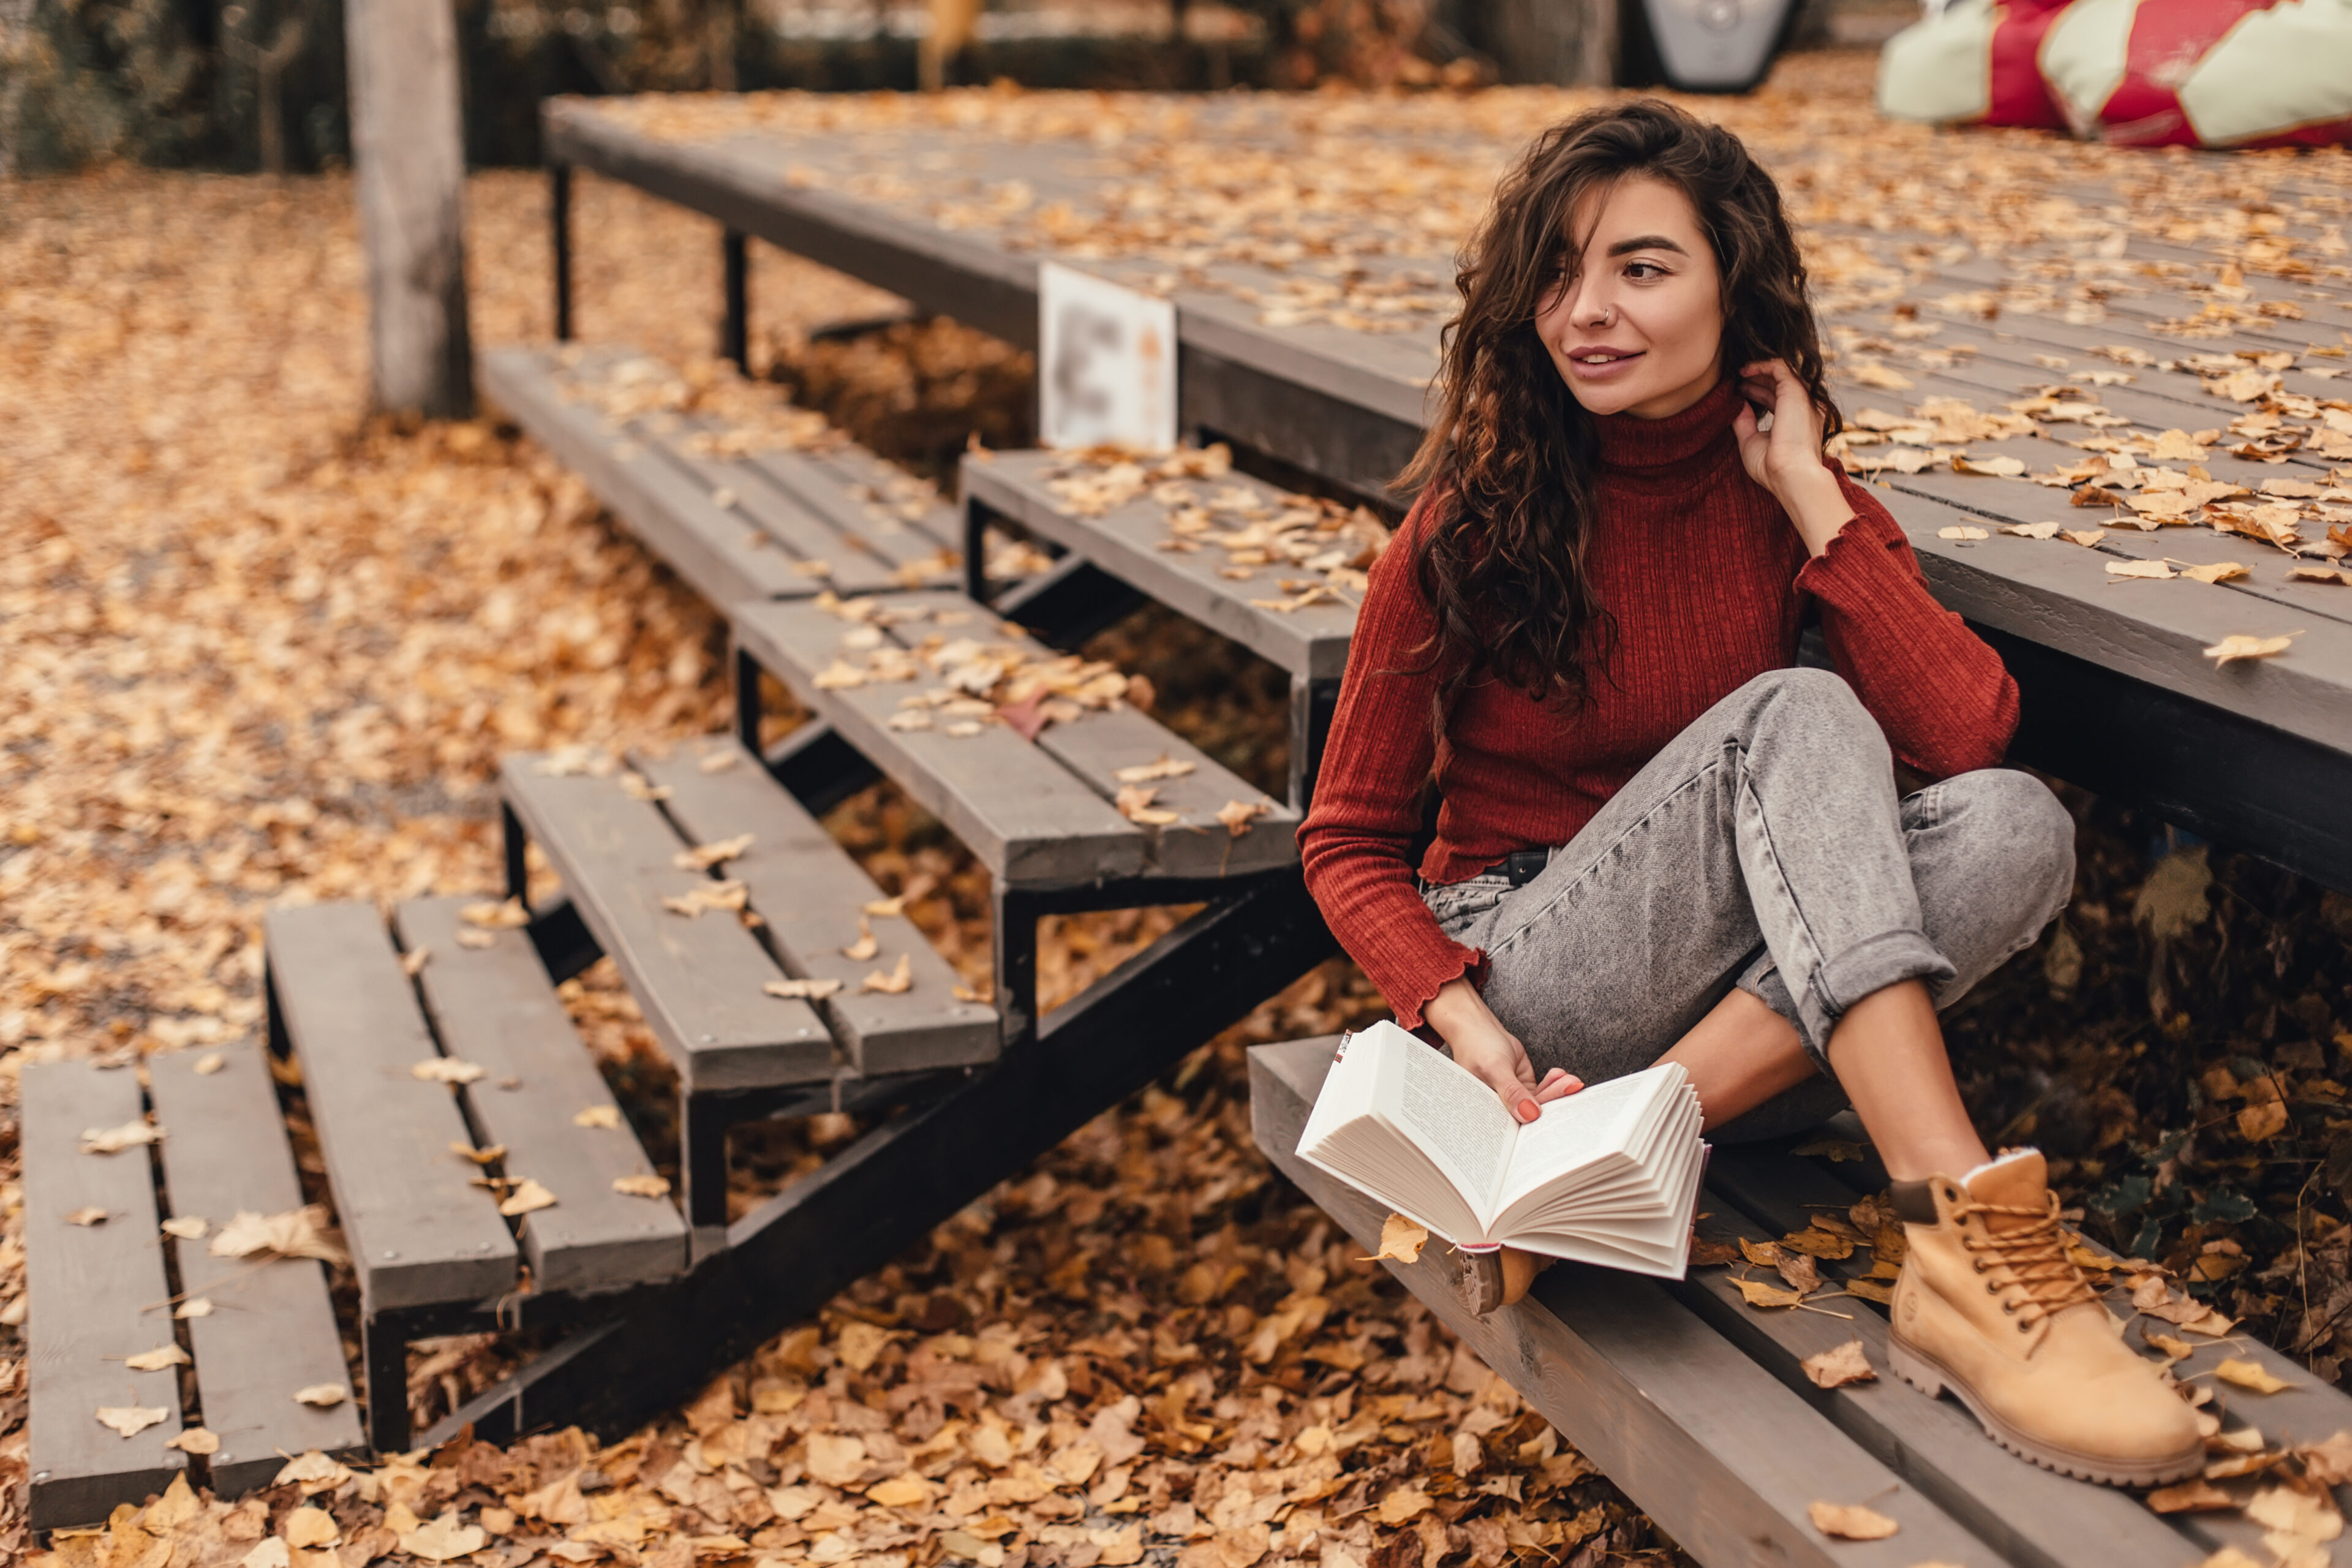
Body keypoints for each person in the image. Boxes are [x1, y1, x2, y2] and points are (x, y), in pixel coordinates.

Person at [1296, 99, 2200, 1488]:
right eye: (1558, 271)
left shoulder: (1786, 491)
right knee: (1799, 711)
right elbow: (1349, 840)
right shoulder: (1472, 519)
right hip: (1540, 1003)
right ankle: (1967, 1238)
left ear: (1737, 286)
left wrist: (1810, 497)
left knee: (2017, 821)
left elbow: (1970, 734)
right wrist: (1466, 1022)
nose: (1587, 311)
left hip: (1750, 1065)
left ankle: (1620, 1151)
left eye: (1642, 269)